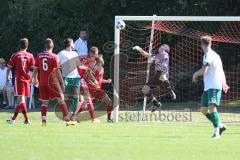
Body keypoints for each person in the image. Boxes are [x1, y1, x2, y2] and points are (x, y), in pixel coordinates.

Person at [192, 35, 229, 139]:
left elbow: (205, 71)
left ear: (202, 44)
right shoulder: (213, 55)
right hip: (208, 87)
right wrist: (224, 83)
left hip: (213, 86)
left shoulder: (209, 55)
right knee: (204, 110)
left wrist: (195, 74)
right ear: (210, 43)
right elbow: (221, 70)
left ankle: (217, 133)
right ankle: (220, 125)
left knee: (212, 108)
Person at [31, 38, 74, 127]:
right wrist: (62, 82)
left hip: (42, 82)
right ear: (53, 46)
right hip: (52, 82)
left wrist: (35, 79)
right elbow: (58, 71)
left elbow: (35, 69)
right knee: (61, 99)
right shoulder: (54, 56)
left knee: (44, 102)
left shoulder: (39, 55)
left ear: (45, 46)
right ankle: (67, 120)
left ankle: (43, 121)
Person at [133, 44, 176, 112]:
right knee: (145, 90)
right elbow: (147, 55)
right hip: (157, 77)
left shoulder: (165, 54)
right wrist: (140, 49)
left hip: (162, 73)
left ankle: (171, 91)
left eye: (162, 48)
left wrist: (153, 58)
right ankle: (156, 103)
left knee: (162, 75)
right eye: (160, 48)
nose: (160, 49)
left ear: (165, 50)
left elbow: (163, 57)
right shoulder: (156, 53)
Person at [78, 47, 113, 123]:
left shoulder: (101, 69)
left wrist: (106, 81)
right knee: (84, 106)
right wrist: (94, 84)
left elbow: (99, 80)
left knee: (109, 102)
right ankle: (75, 117)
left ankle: (109, 119)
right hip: (90, 89)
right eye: (101, 58)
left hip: (97, 90)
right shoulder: (92, 68)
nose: (102, 60)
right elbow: (88, 79)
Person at [57, 38, 88, 121]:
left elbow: (79, 65)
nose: (74, 44)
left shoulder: (75, 53)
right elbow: (55, 64)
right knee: (65, 97)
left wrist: (87, 68)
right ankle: (65, 114)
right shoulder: (61, 53)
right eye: (73, 43)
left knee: (76, 97)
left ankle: (73, 115)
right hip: (65, 78)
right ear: (70, 44)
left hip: (76, 78)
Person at [6, 38, 34, 124]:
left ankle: (26, 119)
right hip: (27, 79)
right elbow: (34, 69)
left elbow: (9, 67)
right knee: (19, 100)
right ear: (27, 45)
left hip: (19, 79)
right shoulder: (31, 55)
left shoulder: (15, 55)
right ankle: (13, 119)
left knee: (21, 100)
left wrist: (7, 77)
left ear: (19, 45)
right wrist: (33, 78)